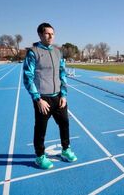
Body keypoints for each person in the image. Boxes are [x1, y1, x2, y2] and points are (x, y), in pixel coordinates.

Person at [23, 22, 77, 169]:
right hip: (43, 99)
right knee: (41, 128)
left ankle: (66, 150)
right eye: (47, 33)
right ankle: (40, 156)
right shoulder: (33, 52)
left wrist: (64, 95)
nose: (51, 36)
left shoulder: (57, 52)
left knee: (64, 123)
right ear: (40, 34)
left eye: (53, 33)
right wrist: (37, 99)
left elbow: (62, 73)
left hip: (58, 97)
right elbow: (28, 77)